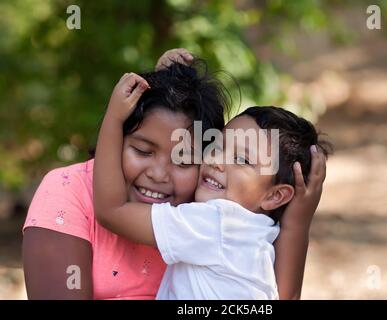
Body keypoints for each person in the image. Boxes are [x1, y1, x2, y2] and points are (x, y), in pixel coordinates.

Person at [22, 49, 327, 299]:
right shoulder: (242, 222)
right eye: (142, 151)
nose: (159, 174)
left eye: (184, 161)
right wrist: (167, 86)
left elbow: (113, 209)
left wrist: (115, 119)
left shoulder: (210, 217)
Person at [93, 71, 331, 299]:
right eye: (216, 147)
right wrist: (298, 222)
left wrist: (114, 119)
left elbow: (111, 211)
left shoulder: (214, 221)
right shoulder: (260, 231)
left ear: (276, 196)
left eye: (241, 160)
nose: (217, 161)